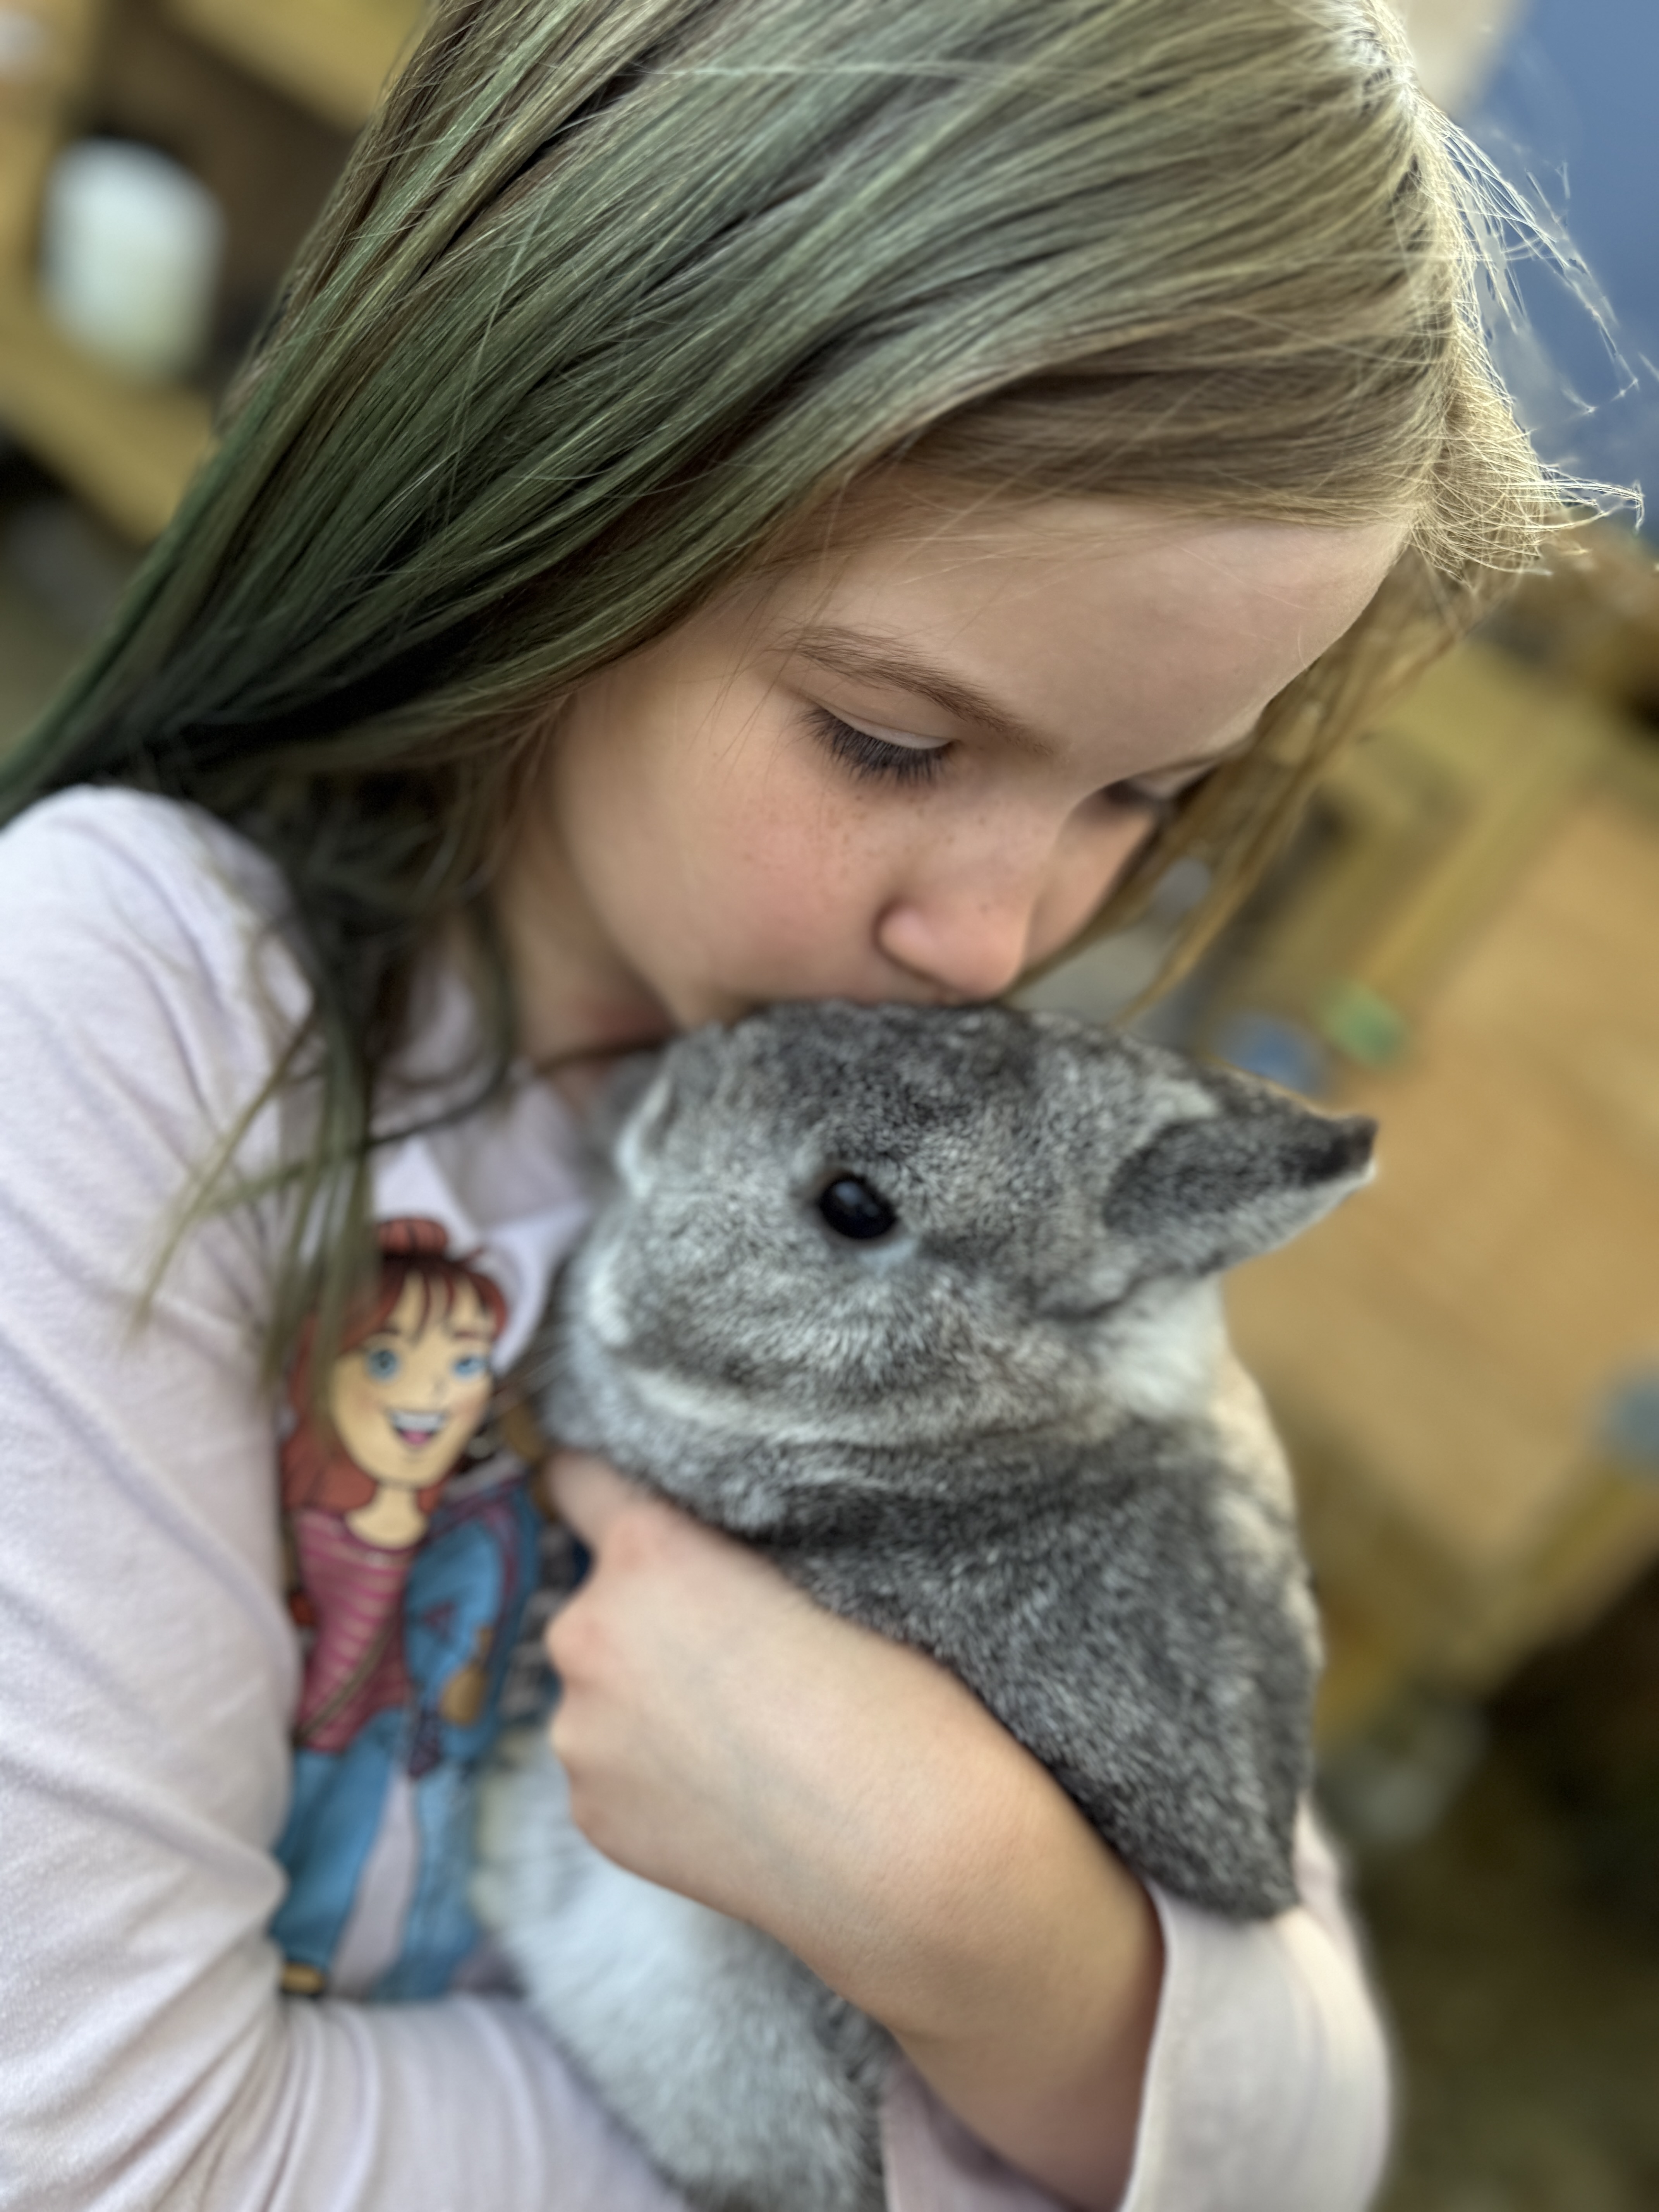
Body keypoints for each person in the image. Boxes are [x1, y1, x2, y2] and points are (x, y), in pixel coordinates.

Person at [0, 0, 1566, 2207]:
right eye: (890, 742)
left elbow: (1300, 2140)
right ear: (551, 475)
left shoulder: (1006, 1216)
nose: (1001, 941)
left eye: (1146, 788)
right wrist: (954, 2156)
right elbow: (109, 2154)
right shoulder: (122, 1024)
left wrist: (996, 1935)